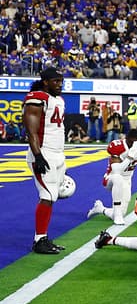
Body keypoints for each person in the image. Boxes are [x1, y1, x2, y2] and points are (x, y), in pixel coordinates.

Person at [25, 67, 69, 254]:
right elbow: (31, 131)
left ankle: (43, 237)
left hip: (58, 153)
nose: (60, 85)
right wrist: (38, 156)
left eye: (61, 81)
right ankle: (39, 240)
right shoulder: (37, 98)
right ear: (45, 82)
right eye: (55, 81)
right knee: (47, 195)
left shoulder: (58, 100)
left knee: (52, 196)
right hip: (44, 152)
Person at [88, 130, 137, 225]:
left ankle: (101, 209)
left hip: (127, 180)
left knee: (123, 213)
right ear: (126, 139)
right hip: (111, 178)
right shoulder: (118, 146)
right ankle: (117, 215)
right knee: (118, 178)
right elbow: (117, 171)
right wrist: (129, 158)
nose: (133, 145)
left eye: (135, 142)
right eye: (131, 142)